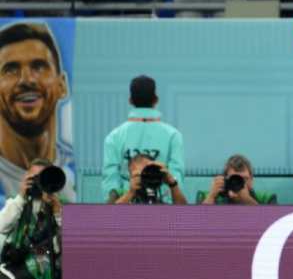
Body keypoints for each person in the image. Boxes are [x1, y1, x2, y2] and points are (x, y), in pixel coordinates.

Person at [0, 23, 74, 204]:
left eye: (39, 67)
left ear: (62, 85)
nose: (27, 79)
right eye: (10, 70)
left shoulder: (75, 175)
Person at [0, 159, 64, 279]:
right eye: (34, 178)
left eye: (42, 178)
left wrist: (57, 212)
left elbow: (66, 244)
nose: (37, 183)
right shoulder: (17, 203)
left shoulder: (57, 206)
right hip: (15, 261)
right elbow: (2, 225)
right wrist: (21, 196)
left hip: (45, 264)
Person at [101, 75, 184, 203]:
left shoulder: (114, 137)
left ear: (130, 100)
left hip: (124, 216)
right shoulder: (173, 136)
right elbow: (177, 185)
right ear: (156, 100)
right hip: (164, 216)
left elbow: (110, 189)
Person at [197, 154, 276, 205]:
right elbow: (197, 224)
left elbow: (272, 226)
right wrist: (211, 196)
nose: (239, 182)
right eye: (234, 179)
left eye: (244, 179)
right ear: (225, 180)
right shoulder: (205, 196)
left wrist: (247, 200)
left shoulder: (267, 199)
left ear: (252, 180)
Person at [112, 154, 186, 204]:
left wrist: (173, 184)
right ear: (130, 176)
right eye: (140, 174)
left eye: (148, 172)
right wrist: (131, 193)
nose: (146, 177)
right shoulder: (118, 193)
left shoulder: (160, 195)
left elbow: (183, 215)